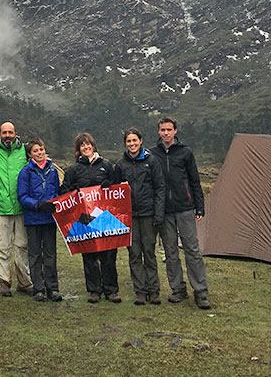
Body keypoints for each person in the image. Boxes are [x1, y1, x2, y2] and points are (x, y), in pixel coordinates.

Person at [150, 116, 211, 310]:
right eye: (162, 130)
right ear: (158, 132)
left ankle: (200, 291)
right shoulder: (152, 154)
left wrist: (199, 206)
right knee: (170, 251)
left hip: (185, 207)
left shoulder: (186, 152)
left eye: (169, 129)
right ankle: (178, 289)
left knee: (192, 249)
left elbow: (194, 181)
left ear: (175, 131)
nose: (166, 133)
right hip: (164, 211)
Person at [59, 132, 120, 304]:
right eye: (82, 145)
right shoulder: (73, 169)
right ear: (78, 150)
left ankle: (111, 290)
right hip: (84, 218)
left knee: (109, 255)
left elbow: (117, 189)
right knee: (90, 256)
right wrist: (74, 191)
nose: (86, 147)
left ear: (93, 146)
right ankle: (94, 290)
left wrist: (110, 186)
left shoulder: (106, 165)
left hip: (105, 216)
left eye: (88, 144)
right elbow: (64, 191)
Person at [113, 127, 167, 306]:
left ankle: (154, 291)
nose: (132, 144)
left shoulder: (152, 161)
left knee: (149, 253)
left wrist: (158, 214)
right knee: (134, 254)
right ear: (125, 144)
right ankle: (140, 292)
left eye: (134, 140)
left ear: (141, 141)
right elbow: (115, 191)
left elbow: (160, 188)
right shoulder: (120, 164)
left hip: (148, 214)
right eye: (128, 141)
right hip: (129, 217)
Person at [0, 122, 33, 297]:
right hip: (2, 208)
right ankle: (2, 282)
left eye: (10, 132)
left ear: (16, 133)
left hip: (22, 206)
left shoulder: (25, 152)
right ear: (0, 134)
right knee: (2, 246)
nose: (7, 135)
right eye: (4, 132)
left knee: (22, 246)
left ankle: (25, 282)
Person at [17, 137, 62, 302]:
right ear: (30, 154)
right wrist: (37, 205)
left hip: (50, 219)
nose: (40, 153)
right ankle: (38, 288)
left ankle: (53, 288)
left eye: (41, 150)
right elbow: (22, 196)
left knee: (50, 254)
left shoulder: (53, 170)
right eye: (35, 151)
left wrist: (55, 202)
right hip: (33, 219)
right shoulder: (25, 172)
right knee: (35, 255)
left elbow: (56, 191)